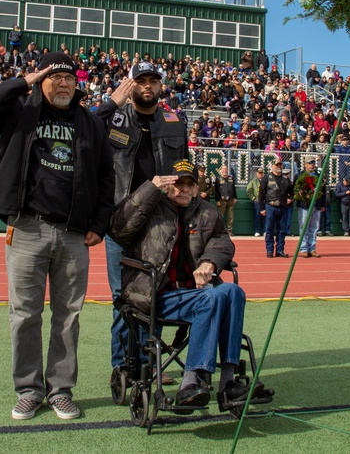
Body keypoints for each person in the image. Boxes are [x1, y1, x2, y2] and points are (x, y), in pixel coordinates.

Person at [0, 51, 115, 421]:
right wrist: (22, 82)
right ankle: (29, 390)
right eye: (55, 77)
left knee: (68, 316)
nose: (64, 83)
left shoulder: (90, 123)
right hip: (28, 227)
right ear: (42, 79)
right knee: (24, 315)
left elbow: (106, 177)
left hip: (74, 233)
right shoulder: (21, 111)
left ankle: (60, 390)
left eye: (70, 78)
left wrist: (98, 225)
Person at [109, 159, 258, 409]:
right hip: (155, 292)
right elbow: (118, 229)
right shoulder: (151, 207)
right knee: (210, 298)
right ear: (167, 186)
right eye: (179, 184)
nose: (185, 190)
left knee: (233, 290)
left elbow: (222, 240)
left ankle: (228, 382)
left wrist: (210, 262)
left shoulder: (206, 211)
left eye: (190, 184)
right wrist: (149, 190)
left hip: (194, 294)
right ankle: (190, 381)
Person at [94, 61, 188, 385]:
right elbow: (85, 130)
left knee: (154, 295)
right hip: (121, 220)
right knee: (123, 297)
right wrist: (111, 104)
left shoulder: (175, 121)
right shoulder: (114, 118)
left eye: (153, 81)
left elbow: (185, 168)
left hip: (159, 222)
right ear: (131, 85)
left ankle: (148, 367)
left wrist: (185, 186)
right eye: (141, 80)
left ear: (161, 86)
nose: (147, 86)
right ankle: (122, 367)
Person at [259, 159, 292, 258]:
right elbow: (261, 194)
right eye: (277, 165)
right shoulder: (266, 178)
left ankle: (280, 250)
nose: (279, 167)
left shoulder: (285, 179)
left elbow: (292, 191)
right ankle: (269, 250)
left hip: (282, 207)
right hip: (270, 206)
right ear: (272, 166)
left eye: (280, 165)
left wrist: (290, 198)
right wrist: (262, 208)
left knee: (282, 230)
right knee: (269, 229)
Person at [294, 157, 323, 257]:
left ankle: (312, 248)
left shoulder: (318, 175)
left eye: (314, 163)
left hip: (316, 204)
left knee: (314, 228)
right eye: (310, 163)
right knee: (304, 227)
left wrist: (323, 204)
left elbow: (322, 189)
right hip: (304, 205)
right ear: (305, 164)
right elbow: (296, 189)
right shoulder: (299, 175)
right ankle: (303, 249)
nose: (312, 165)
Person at [214, 164, 237, 231]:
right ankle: (220, 230)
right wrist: (217, 200)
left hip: (231, 199)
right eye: (223, 169)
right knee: (220, 216)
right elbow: (216, 190)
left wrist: (235, 197)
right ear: (220, 170)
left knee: (231, 216)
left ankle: (229, 230)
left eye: (226, 169)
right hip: (222, 200)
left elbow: (233, 188)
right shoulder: (218, 179)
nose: (225, 171)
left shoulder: (231, 178)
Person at [246, 166, 264, 237]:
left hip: (264, 201)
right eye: (259, 173)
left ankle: (265, 230)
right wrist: (253, 198)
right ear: (257, 173)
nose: (260, 175)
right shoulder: (253, 181)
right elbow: (248, 190)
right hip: (257, 201)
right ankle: (256, 230)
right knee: (257, 216)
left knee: (265, 217)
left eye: (261, 173)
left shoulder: (266, 180)